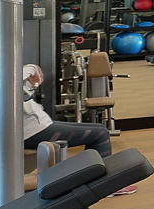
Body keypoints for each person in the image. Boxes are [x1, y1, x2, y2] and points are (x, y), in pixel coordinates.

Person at [20, 64, 134, 194]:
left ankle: (92, 179)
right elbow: (18, 77)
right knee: (100, 134)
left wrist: (31, 70)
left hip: (38, 126)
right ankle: (104, 185)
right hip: (31, 132)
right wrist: (32, 68)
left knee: (100, 129)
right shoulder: (4, 76)